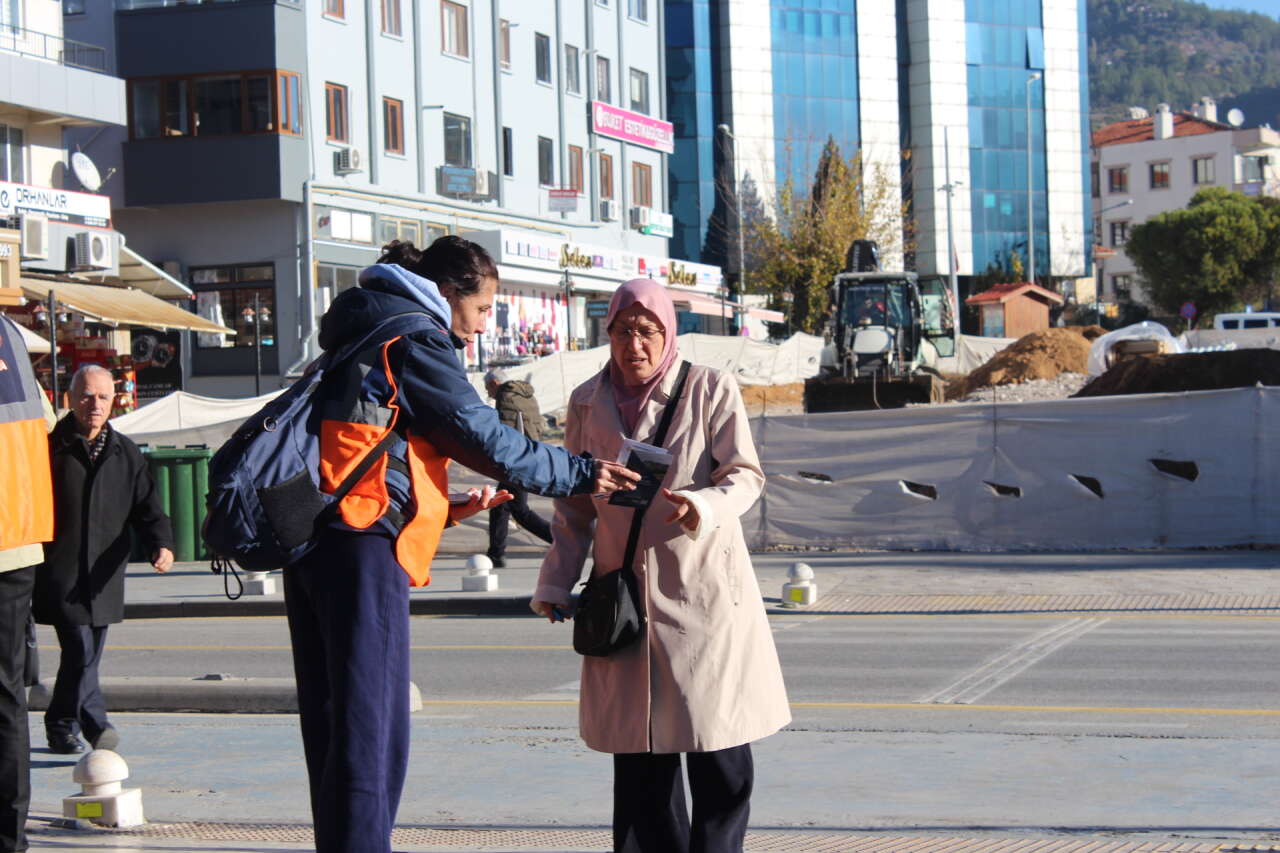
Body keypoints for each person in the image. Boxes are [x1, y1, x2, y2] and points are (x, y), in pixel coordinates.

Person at [286, 235, 638, 853]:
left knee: (336, 724)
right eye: (479, 311)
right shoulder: (413, 335)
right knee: (374, 730)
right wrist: (581, 472)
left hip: (320, 543)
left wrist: (443, 509)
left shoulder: (363, 328)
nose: (478, 330)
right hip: (364, 550)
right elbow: (482, 437)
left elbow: (368, 452)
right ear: (448, 294)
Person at [531, 278, 790, 853]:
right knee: (642, 757)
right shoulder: (585, 400)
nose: (635, 345)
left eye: (647, 331)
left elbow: (745, 475)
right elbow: (573, 506)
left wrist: (702, 504)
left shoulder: (710, 388)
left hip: (702, 593)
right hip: (622, 597)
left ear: (669, 333)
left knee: (718, 750)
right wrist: (556, 578)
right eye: (623, 331)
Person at [33, 364, 174, 755]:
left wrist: (161, 544)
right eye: (86, 395)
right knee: (80, 650)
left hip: (103, 576)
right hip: (59, 571)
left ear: (114, 401)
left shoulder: (124, 452)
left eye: (103, 397)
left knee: (86, 656)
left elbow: (148, 508)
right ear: (70, 399)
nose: (94, 404)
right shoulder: (48, 448)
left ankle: (60, 724)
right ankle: (96, 725)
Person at [0, 314, 56, 852]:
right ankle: (10, 837)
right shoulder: (12, 338)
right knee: (6, 697)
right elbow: (45, 423)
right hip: (18, 540)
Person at [483, 367, 553, 567]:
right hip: (530, 454)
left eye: (487, 388)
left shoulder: (505, 396)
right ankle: (496, 553)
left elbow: (505, 431)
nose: (488, 393)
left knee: (519, 510)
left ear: (494, 383)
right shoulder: (524, 395)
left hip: (517, 459)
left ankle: (559, 540)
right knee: (501, 505)